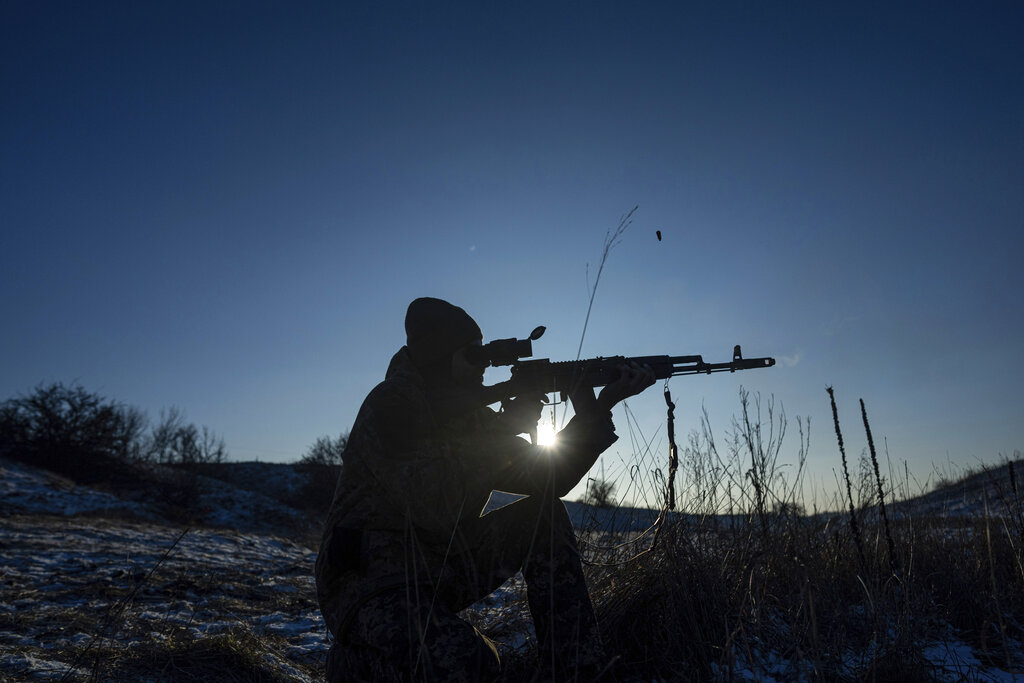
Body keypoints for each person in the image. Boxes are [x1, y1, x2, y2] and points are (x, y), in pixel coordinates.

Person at [314, 297, 655, 682]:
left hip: (433, 566)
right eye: (473, 356)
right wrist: (504, 428)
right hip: (369, 582)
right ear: (438, 357)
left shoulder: (474, 417)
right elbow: (433, 506)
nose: (484, 368)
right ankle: (355, 665)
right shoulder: (392, 404)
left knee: (540, 511)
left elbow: (546, 480)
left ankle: (576, 669)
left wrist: (597, 409)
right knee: (471, 663)